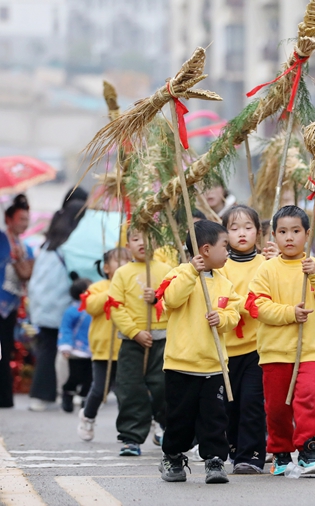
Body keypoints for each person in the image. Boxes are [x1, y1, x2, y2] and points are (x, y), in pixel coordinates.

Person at [249, 205, 315, 476]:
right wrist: (290, 313)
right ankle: (280, 452)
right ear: (273, 235)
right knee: (277, 406)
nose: (289, 237)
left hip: (311, 349)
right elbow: (257, 306)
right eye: (282, 232)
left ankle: (309, 449)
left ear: (307, 234)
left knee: (310, 398)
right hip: (275, 350)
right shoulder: (266, 270)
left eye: (296, 231)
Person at [158, 220, 243, 484]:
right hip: (181, 363)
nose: (228, 251)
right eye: (224, 246)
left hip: (214, 365)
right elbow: (170, 300)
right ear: (205, 249)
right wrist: (191, 273)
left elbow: (234, 314)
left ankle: (215, 460)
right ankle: (172, 455)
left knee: (214, 418)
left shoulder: (225, 283)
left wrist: (223, 319)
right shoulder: (178, 274)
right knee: (179, 418)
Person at [108, 229, 172, 456]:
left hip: (162, 338)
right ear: (128, 245)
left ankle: (165, 426)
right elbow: (115, 306)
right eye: (136, 239)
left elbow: (176, 301)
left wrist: (156, 299)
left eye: (148, 237)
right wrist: (134, 332)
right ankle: (131, 437)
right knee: (130, 388)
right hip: (132, 341)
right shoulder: (122, 273)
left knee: (163, 386)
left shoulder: (166, 270)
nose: (142, 243)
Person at [217, 205, 268, 474]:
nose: (242, 233)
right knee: (230, 406)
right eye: (234, 228)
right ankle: (235, 450)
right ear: (225, 235)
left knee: (252, 403)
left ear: (259, 233)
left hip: (258, 347)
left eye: (248, 227)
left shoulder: (267, 264)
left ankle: (252, 455)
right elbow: (221, 302)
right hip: (225, 349)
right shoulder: (219, 267)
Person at [27, 198, 85, 411]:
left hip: (41, 307)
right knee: (65, 350)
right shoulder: (72, 247)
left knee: (47, 348)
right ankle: (51, 394)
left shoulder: (48, 244)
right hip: (60, 308)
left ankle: (44, 395)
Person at [77, 248, 131, 441]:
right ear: (107, 268)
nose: (124, 264)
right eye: (118, 261)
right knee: (99, 390)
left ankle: (131, 428)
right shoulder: (98, 287)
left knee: (127, 392)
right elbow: (91, 307)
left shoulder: (132, 285)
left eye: (127, 260)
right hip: (104, 349)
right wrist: (113, 288)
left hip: (127, 347)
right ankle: (88, 416)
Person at [0, 194, 32, 408]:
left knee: (7, 348)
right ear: (8, 219)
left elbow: (28, 274)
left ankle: (5, 397)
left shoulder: (25, 246)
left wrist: (20, 258)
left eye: (26, 219)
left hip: (11, 306)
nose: (24, 223)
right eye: (21, 219)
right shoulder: (2, 239)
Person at [57, 278, 94, 413]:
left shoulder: (93, 307)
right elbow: (65, 329)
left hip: (92, 348)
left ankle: (86, 400)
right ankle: (68, 393)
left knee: (90, 378)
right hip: (76, 351)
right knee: (75, 376)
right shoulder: (71, 311)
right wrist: (65, 346)